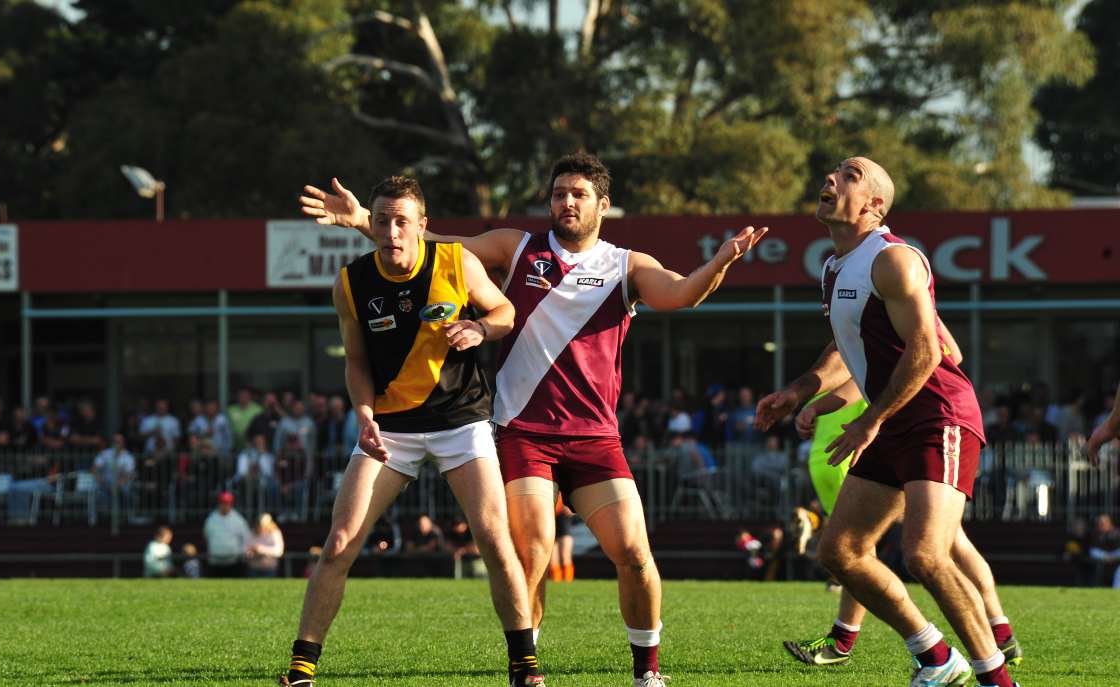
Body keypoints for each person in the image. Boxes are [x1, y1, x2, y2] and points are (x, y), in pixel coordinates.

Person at [302, 153, 766, 687]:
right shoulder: (515, 247)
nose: (566, 202)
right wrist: (366, 221)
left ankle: (647, 671)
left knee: (634, 553)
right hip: (522, 433)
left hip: (595, 437)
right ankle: (526, 668)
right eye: (558, 193)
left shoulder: (625, 265)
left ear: (603, 205)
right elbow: (430, 249)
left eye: (578, 194)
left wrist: (720, 263)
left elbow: (681, 293)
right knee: (531, 551)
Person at [756, 157, 1016, 687]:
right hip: (894, 419)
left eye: (849, 176)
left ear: (875, 206)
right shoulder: (834, 267)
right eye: (832, 173)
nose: (830, 180)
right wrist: (799, 391)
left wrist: (870, 419)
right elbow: (844, 346)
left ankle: (997, 678)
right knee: (840, 551)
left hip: (938, 416)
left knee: (927, 553)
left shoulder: (894, 259)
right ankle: (936, 657)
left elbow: (929, 351)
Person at [281, 176, 544, 687]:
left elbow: (506, 312)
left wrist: (480, 328)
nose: (391, 231)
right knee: (339, 543)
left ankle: (525, 666)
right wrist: (363, 414)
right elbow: (357, 363)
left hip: (460, 422)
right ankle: (301, 669)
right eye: (381, 221)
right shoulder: (351, 283)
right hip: (390, 431)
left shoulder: (456, 262)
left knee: (494, 539)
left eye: (402, 221)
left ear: (422, 225)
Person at [783, 379, 1023, 670]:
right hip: (890, 436)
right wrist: (804, 399)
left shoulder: (894, 350)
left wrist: (832, 408)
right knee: (865, 549)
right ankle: (993, 639)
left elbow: (934, 356)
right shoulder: (856, 350)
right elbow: (850, 368)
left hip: (922, 429)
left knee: (923, 553)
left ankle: (985, 653)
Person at [203, 491, 252, 577]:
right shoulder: (211, 520)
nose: (224, 506)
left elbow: (246, 538)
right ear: (219, 504)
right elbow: (206, 535)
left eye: (227, 503)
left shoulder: (238, 520)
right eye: (222, 503)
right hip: (216, 562)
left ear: (231, 504)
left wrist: (242, 553)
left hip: (234, 562)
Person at [1087, 382, 1120, 465]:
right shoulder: (1100, 417)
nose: (1107, 402)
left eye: (1110, 399)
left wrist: (1109, 428)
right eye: (1106, 400)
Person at [247, 512, 285, 578]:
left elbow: (279, 551)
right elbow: (245, 549)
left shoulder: (275, 533)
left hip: (269, 569)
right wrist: (251, 551)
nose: (261, 527)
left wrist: (260, 549)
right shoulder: (251, 532)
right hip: (253, 568)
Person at [549, 495, 575, 582]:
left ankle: (568, 581)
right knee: (552, 556)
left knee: (565, 554)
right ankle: (556, 581)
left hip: (562, 512)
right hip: (547, 512)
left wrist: (571, 504)